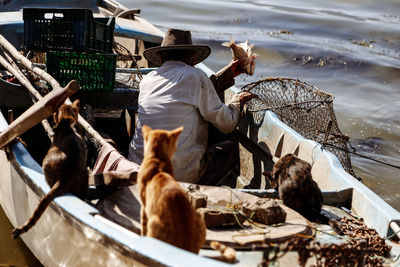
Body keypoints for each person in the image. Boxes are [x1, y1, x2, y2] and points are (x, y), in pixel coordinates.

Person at [92, 28, 256, 185]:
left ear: (162, 58)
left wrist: (228, 73)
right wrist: (237, 101)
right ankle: (195, 190)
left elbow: (184, 91)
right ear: (192, 59)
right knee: (229, 149)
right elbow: (227, 124)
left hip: (138, 171)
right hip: (178, 177)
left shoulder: (148, 80)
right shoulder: (196, 76)